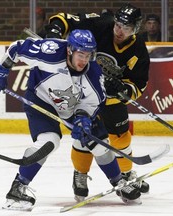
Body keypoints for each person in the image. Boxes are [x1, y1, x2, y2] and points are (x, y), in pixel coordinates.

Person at [0, 29, 141, 211]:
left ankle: (118, 181)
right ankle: (18, 188)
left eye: (88, 55)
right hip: (41, 101)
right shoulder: (49, 51)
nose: (84, 60)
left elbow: (91, 104)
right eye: (81, 54)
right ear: (69, 50)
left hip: (73, 108)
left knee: (97, 142)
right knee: (50, 141)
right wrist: (2, 70)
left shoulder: (94, 76)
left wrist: (83, 119)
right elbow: (17, 47)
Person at [45, 3, 150, 201]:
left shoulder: (138, 50)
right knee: (85, 136)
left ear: (135, 29)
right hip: (84, 94)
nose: (119, 31)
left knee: (121, 137)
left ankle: (126, 174)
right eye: (118, 25)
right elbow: (67, 19)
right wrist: (56, 28)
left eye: (126, 28)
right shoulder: (102, 24)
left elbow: (139, 84)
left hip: (111, 101)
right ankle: (80, 175)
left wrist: (122, 90)